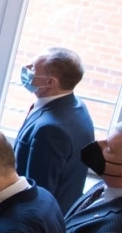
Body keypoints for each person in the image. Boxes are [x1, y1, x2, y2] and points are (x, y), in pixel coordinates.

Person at [13, 47, 95, 214]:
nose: (27, 68)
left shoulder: (50, 131)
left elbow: (38, 190)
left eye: (33, 68)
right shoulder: (77, 105)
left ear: (50, 82)